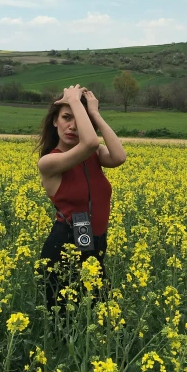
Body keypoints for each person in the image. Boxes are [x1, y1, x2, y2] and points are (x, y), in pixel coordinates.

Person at [37, 84, 127, 310]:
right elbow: (89, 142)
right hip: (64, 247)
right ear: (55, 121)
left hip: (94, 243)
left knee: (98, 316)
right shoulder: (49, 162)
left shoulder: (94, 155)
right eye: (67, 117)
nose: (73, 125)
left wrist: (95, 113)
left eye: (80, 119)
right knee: (65, 322)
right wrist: (75, 100)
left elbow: (119, 156)